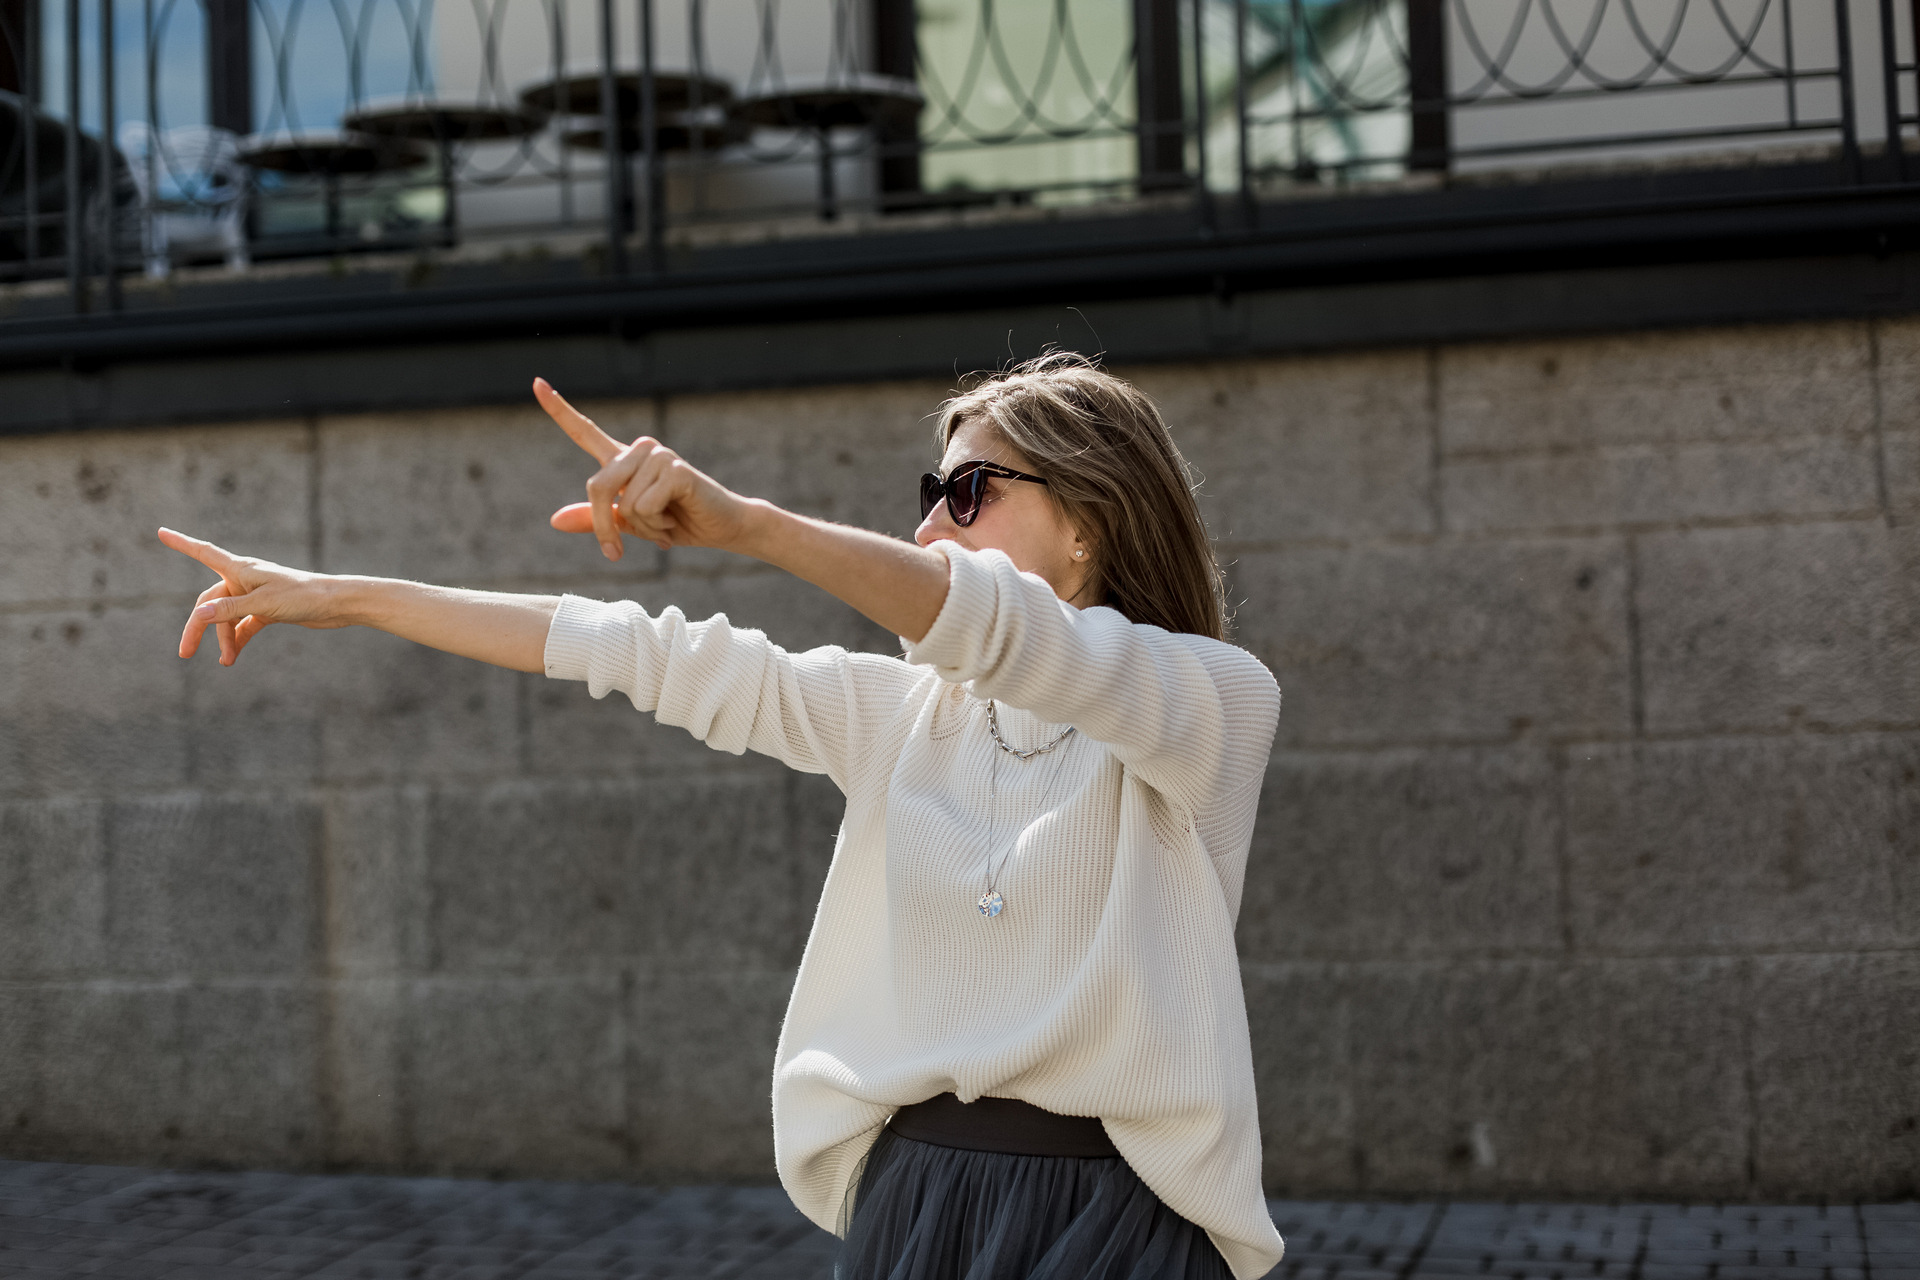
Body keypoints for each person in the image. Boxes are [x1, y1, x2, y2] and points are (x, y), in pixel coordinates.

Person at [160, 352, 1286, 1280]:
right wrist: (345, 597)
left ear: (1088, 524)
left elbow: (998, 626)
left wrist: (746, 524)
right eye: (926, 494)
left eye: (970, 491)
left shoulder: (1214, 703)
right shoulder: (899, 716)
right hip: (916, 1205)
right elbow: (634, 649)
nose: (933, 528)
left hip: (1116, 1222)